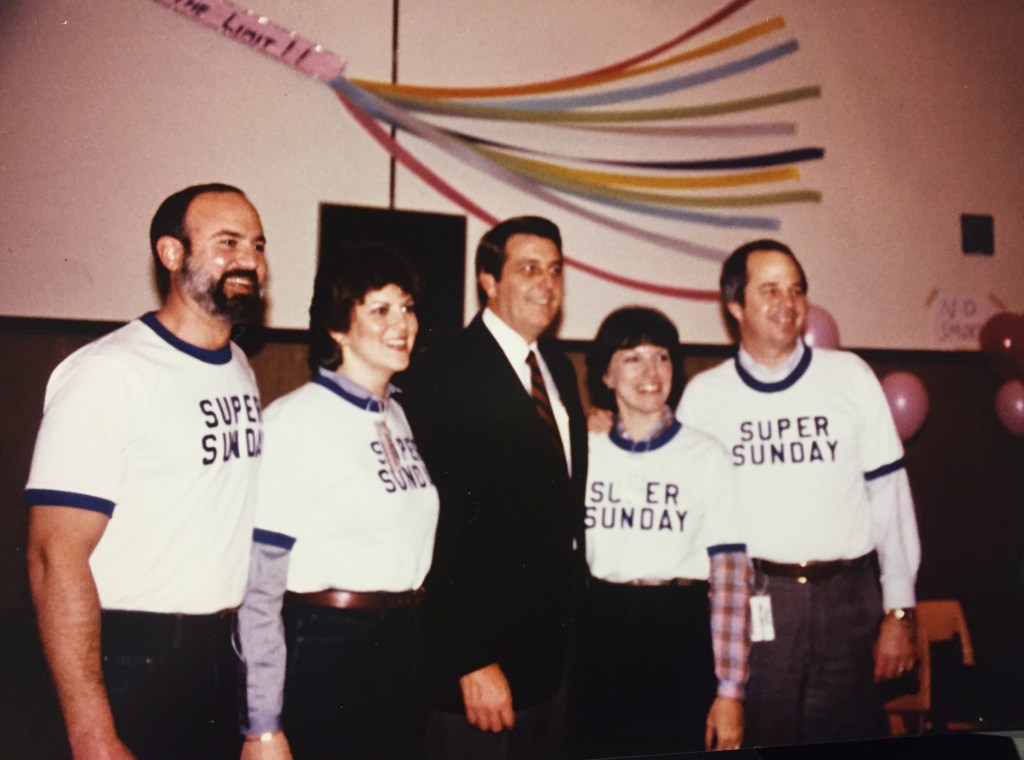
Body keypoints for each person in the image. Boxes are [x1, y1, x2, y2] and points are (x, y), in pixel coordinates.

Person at [25, 183, 268, 759]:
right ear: (171, 253)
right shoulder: (109, 373)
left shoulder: (238, 367)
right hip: (135, 654)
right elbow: (53, 556)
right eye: (227, 242)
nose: (250, 261)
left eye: (258, 245)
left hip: (219, 651)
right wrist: (93, 736)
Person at [678, 239, 920, 747]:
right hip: (759, 603)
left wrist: (898, 610)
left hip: (848, 602)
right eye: (770, 290)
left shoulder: (849, 377)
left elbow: (890, 498)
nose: (787, 303)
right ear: (735, 306)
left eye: (797, 290)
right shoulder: (704, 397)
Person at [236, 241, 439, 759]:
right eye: (380, 310)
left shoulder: (395, 413)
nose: (402, 323)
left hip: (402, 643)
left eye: (408, 307)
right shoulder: (296, 422)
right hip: (331, 650)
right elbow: (259, 589)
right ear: (337, 327)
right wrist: (262, 724)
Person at [401, 216, 587, 759]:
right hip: (481, 668)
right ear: (487, 280)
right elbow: (438, 524)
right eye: (528, 267)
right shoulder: (443, 370)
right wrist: (468, 657)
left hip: (552, 660)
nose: (546, 283)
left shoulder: (556, 367)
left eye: (555, 269)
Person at [576, 306, 749, 756]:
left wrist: (730, 691)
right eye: (633, 357)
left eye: (662, 357)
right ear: (606, 375)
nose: (650, 371)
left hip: (678, 635)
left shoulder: (706, 455)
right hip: (599, 635)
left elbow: (731, 579)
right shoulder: (580, 450)